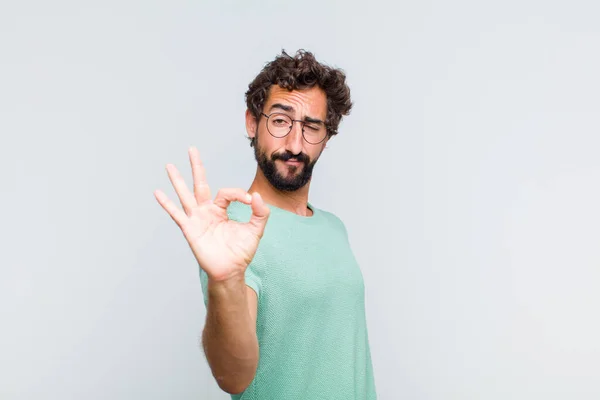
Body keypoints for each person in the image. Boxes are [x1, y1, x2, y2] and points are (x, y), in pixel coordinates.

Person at [154, 49, 377, 399]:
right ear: (252, 122)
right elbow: (234, 375)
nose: (294, 144)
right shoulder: (233, 232)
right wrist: (225, 281)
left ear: (328, 137)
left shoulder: (334, 228)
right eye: (280, 121)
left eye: (311, 127)